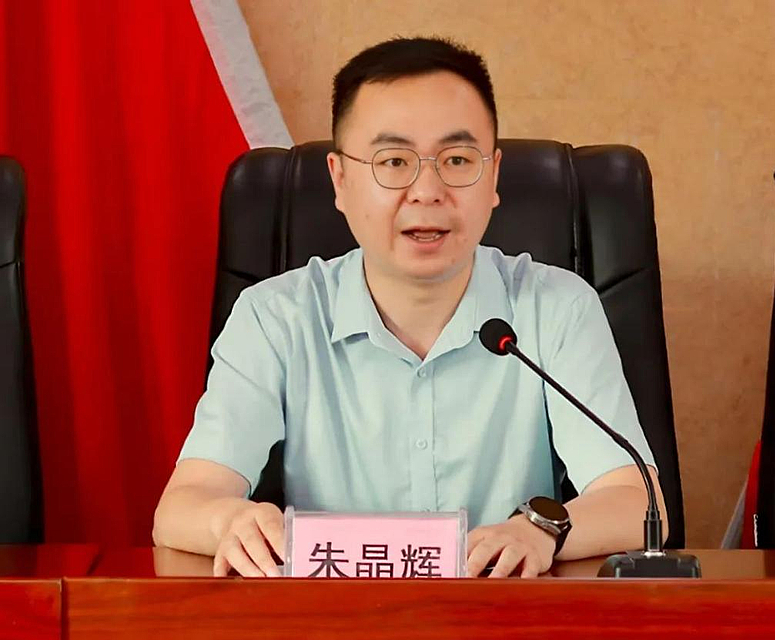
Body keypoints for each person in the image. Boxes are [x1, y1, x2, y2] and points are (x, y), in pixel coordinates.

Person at [153, 36, 667, 579]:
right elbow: (182, 506)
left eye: (457, 160)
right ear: (340, 180)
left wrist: (540, 531)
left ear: (493, 176)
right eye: (393, 161)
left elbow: (635, 501)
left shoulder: (557, 308)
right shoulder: (275, 317)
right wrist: (230, 520)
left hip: (500, 611)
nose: (427, 191)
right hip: (334, 614)